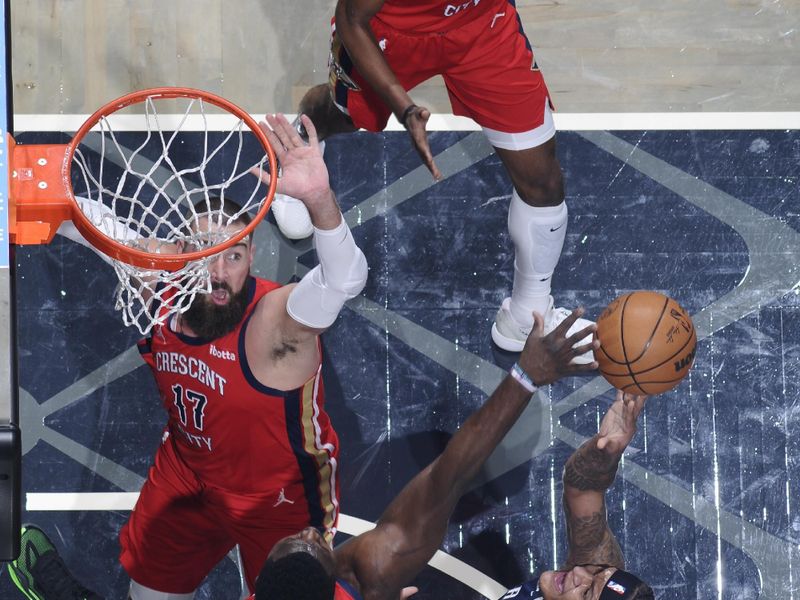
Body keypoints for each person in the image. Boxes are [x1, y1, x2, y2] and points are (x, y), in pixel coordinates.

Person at [55, 114, 369, 599]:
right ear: (177, 252)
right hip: (190, 472)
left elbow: (343, 280)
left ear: (251, 259)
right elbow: (98, 225)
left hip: (280, 500)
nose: (217, 270)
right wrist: (30, 186)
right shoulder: (163, 288)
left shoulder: (277, 325)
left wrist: (319, 199)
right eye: (202, 249)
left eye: (233, 254)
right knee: (148, 594)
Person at [252, 309, 653, 599]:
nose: (580, 574)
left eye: (585, 594)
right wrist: (605, 456)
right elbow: (581, 486)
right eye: (596, 574)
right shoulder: (589, 574)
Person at [271, 0, 593, 359]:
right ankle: (302, 141)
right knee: (341, 115)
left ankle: (525, 317)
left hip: (483, 23)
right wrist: (404, 108)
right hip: (389, 31)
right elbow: (351, 20)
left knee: (543, 182)